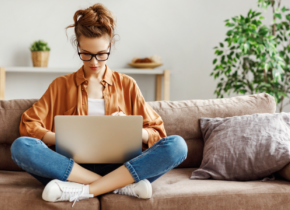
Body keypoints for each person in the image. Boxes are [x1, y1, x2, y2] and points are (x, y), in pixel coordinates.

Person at [10, 3, 188, 208]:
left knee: (178, 146)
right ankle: (122, 187)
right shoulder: (61, 85)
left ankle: (84, 190)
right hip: (71, 166)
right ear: (78, 46)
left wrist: (133, 132)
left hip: (122, 166)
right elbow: (29, 124)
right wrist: (61, 138)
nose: (94, 62)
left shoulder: (127, 85)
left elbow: (158, 132)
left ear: (110, 45)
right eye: (86, 54)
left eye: (102, 54)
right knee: (21, 147)